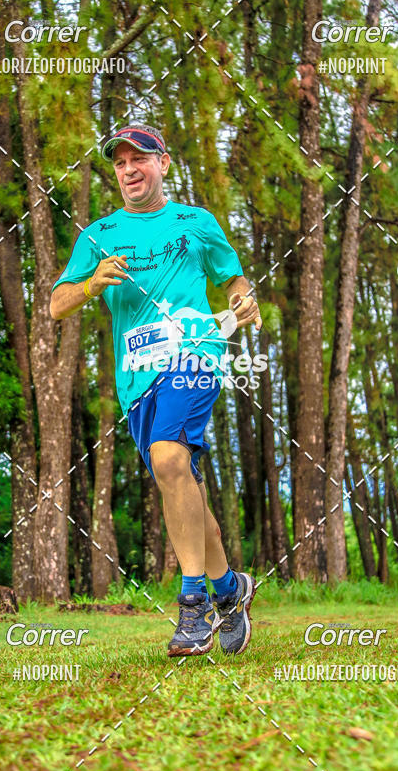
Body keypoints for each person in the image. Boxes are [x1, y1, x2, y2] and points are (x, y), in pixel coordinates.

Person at [50, 122, 262, 657]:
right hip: (135, 378)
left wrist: (243, 299)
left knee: (170, 460)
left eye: (139, 159)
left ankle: (192, 609)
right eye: (120, 163)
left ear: (163, 163)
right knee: (180, 481)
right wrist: (93, 283)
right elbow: (56, 303)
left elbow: (233, 277)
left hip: (194, 355)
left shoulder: (197, 221)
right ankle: (230, 589)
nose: (128, 170)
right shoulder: (99, 233)